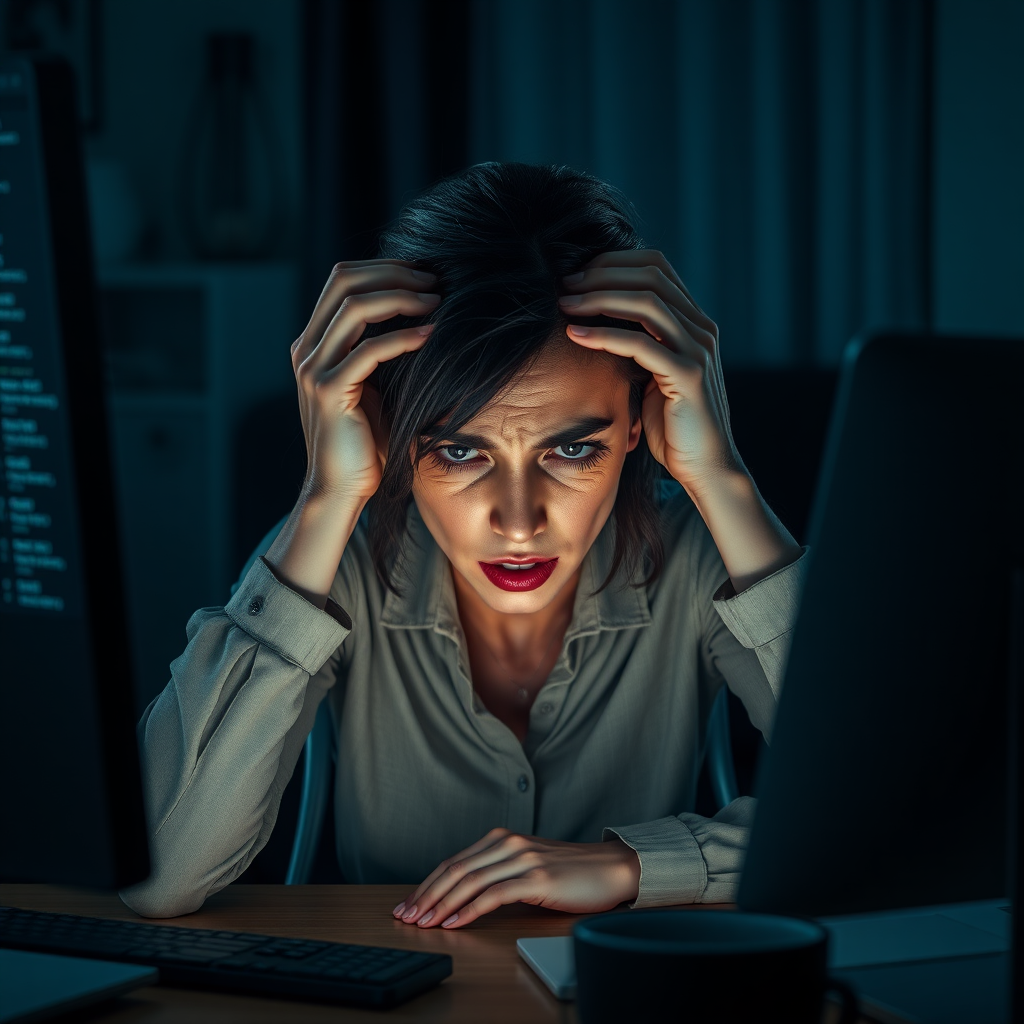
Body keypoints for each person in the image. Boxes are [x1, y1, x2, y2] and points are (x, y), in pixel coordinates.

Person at [120, 162, 806, 925]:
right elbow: (157, 873)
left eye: (573, 451)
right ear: (392, 432)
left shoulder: (699, 558)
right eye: (457, 452)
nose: (517, 522)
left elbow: (876, 823)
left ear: (642, 420)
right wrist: (326, 496)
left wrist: (721, 474)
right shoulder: (332, 568)